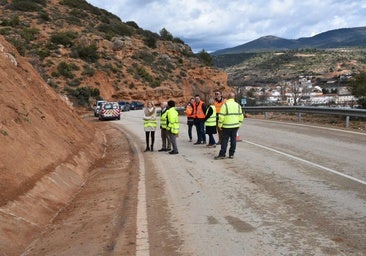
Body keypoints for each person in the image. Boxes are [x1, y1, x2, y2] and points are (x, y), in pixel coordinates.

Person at [215, 92, 243, 159]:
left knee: (225, 140)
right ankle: (231, 154)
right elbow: (241, 116)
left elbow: (221, 116)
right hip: (235, 126)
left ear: (228, 97)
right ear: (234, 98)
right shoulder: (238, 105)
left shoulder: (225, 105)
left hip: (226, 126)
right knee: (233, 140)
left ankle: (222, 154)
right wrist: (239, 124)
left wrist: (220, 125)